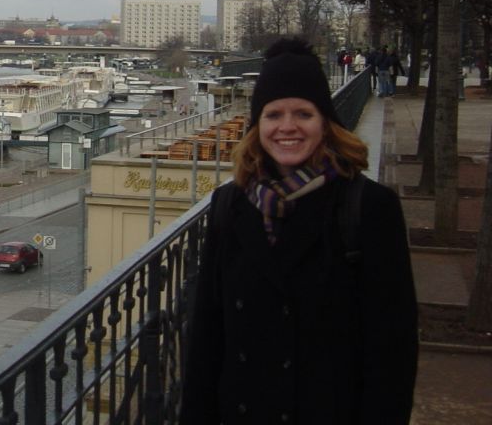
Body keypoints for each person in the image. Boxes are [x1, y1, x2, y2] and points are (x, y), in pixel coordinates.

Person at [179, 38, 417, 425]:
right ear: (259, 126)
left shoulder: (370, 207)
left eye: (303, 114)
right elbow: (208, 334)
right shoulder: (230, 204)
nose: (287, 127)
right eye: (274, 115)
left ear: (325, 122)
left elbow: (392, 349)